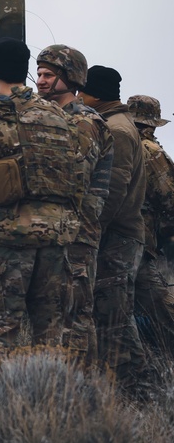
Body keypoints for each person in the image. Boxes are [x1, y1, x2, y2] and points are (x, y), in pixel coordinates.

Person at [0, 38, 81, 355]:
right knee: (52, 332)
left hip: (11, 241)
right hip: (56, 238)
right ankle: (55, 400)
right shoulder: (57, 116)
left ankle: (5, 403)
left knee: (3, 333)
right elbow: (77, 177)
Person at [35, 45, 113, 364]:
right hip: (59, 233)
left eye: (48, 75)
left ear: (71, 79)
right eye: (39, 73)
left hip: (77, 235)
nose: (40, 81)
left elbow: (73, 180)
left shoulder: (82, 121)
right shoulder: (56, 118)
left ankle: (80, 393)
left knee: (75, 318)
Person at [80, 66, 149, 391]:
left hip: (118, 235)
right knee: (115, 311)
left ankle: (136, 388)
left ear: (94, 93)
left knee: (114, 315)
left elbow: (113, 189)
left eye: (83, 89)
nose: (78, 94)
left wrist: (92, 229)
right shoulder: (117, 123)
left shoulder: (117, 130)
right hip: (121, 234)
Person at [128, 94, 174, 352]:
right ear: (152, 124)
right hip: (141, 241)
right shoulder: (151, 152)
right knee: (161, 307)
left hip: (113, 238)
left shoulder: (114, 140)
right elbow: (169, 197)